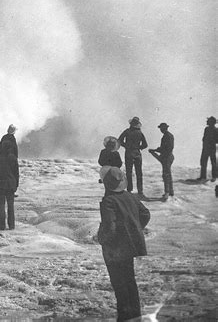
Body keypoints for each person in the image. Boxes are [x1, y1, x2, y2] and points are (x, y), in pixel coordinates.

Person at [98, 166, 150, 322]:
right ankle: (136, 317)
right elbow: (145, 214)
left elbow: (110, 227)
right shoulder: (130, 196)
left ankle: (124, 318)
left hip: (115, 249)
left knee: (120, 286)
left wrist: (102, 239)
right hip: (130, 246)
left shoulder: (109, 201)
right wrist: (134, 229)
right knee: (130, 281)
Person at [118, 117, 148, 198]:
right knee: (139, 173)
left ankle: (129, 190)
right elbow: (145, 145)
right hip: (137, 154)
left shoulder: (127, 131)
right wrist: (138, 147)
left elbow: (119, 140)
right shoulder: (140, 133)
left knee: (129, 172)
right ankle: (140, 191)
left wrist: (126, 146)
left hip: (128, 153)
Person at [149, 122, 174, 200]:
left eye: (161, 128)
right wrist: (156, 150)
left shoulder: (168, 136)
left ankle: (167, 192)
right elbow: (164, 148)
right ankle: (170, 191)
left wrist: (156, 151)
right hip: (167, 157)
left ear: (164, 128)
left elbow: (168, 148)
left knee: (166, 175)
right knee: (168, 174)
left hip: (167, 157)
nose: (160, 130)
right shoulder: (167, 135)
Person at [199, 116, 217, 181]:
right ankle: (203, 177)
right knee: (203, 162)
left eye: (208, 121)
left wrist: (211, 141)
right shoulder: (206, 129)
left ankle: (214, 177)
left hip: (210, 148)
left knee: (213, 163)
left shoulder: (215, 130)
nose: (207, 122)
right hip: (206, 148)